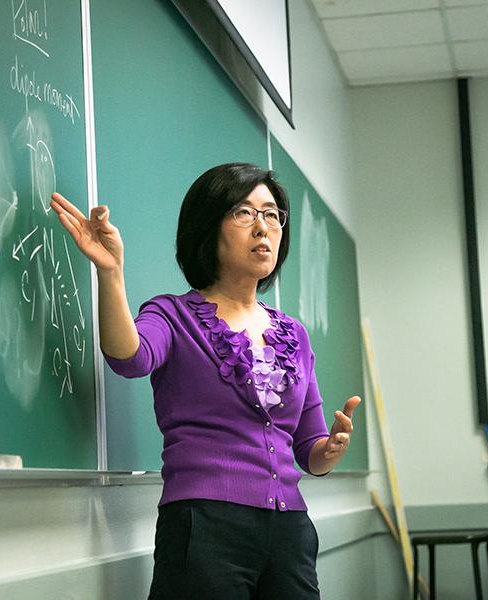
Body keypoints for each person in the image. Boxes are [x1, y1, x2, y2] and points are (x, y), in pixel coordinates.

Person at [50, 162, 361, 599]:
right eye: (244, 212)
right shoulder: (173, 315)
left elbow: (310, 453)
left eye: (271, 214)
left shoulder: (294, 333)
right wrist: (111, 273)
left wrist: (330, 449)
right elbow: (130, 357)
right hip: (205, 526)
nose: (263, 228)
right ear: (207, 228)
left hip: (290, 529)